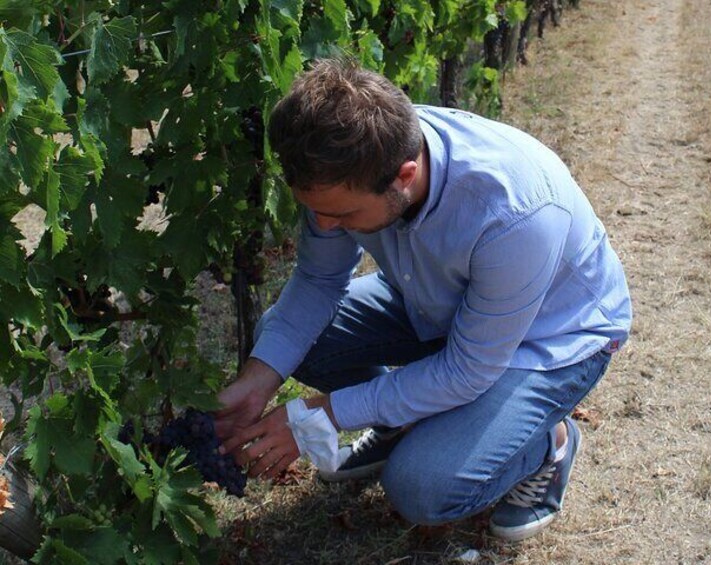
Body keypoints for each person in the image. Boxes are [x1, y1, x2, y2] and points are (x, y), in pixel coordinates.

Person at [215, 58, 631, 541]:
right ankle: (401, 423)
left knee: (421, 488)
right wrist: (258, 380)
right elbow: (317, 281)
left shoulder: (515, 213)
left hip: (548, 339)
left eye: (343, 214)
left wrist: (327, 412)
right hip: (436, 304)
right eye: (316, 212)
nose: (324, 226)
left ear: (404, 175)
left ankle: (548, 447)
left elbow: (467, 371)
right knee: (278, 339)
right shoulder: (350, 156)